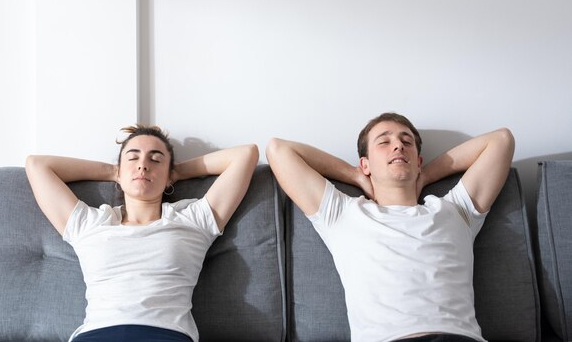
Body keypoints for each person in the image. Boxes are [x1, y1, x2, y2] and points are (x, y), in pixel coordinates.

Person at [266, 112, 514, 342]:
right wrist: (354, 175)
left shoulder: (455, 210)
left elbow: (501, 141)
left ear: (418, 161)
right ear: (366, 164)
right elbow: (278, 149)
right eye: (384, 142)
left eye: (406, 141)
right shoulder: (343, 214)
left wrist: (425, 175)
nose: (398, 145)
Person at [26, 124, 259, 342]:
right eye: (133, 157)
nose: (143, 164)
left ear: (169, 177)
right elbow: (37, 165)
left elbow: (246, 154)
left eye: (155, 159)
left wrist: (175, 172)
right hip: (95, 335)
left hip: (166, 335)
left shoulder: (193, 220)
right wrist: (113, 171)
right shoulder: (88, 224)